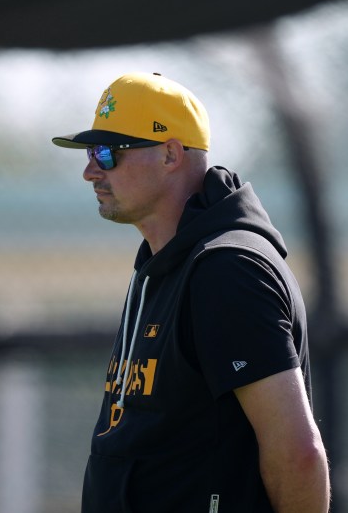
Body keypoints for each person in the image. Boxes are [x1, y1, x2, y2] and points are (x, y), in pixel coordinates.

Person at [52, 72, 330, 513]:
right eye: (90, 152)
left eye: (108, 153)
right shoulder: (164, 263)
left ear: (170, 154)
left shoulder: (227, 271)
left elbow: (298, 455)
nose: (90, 171)